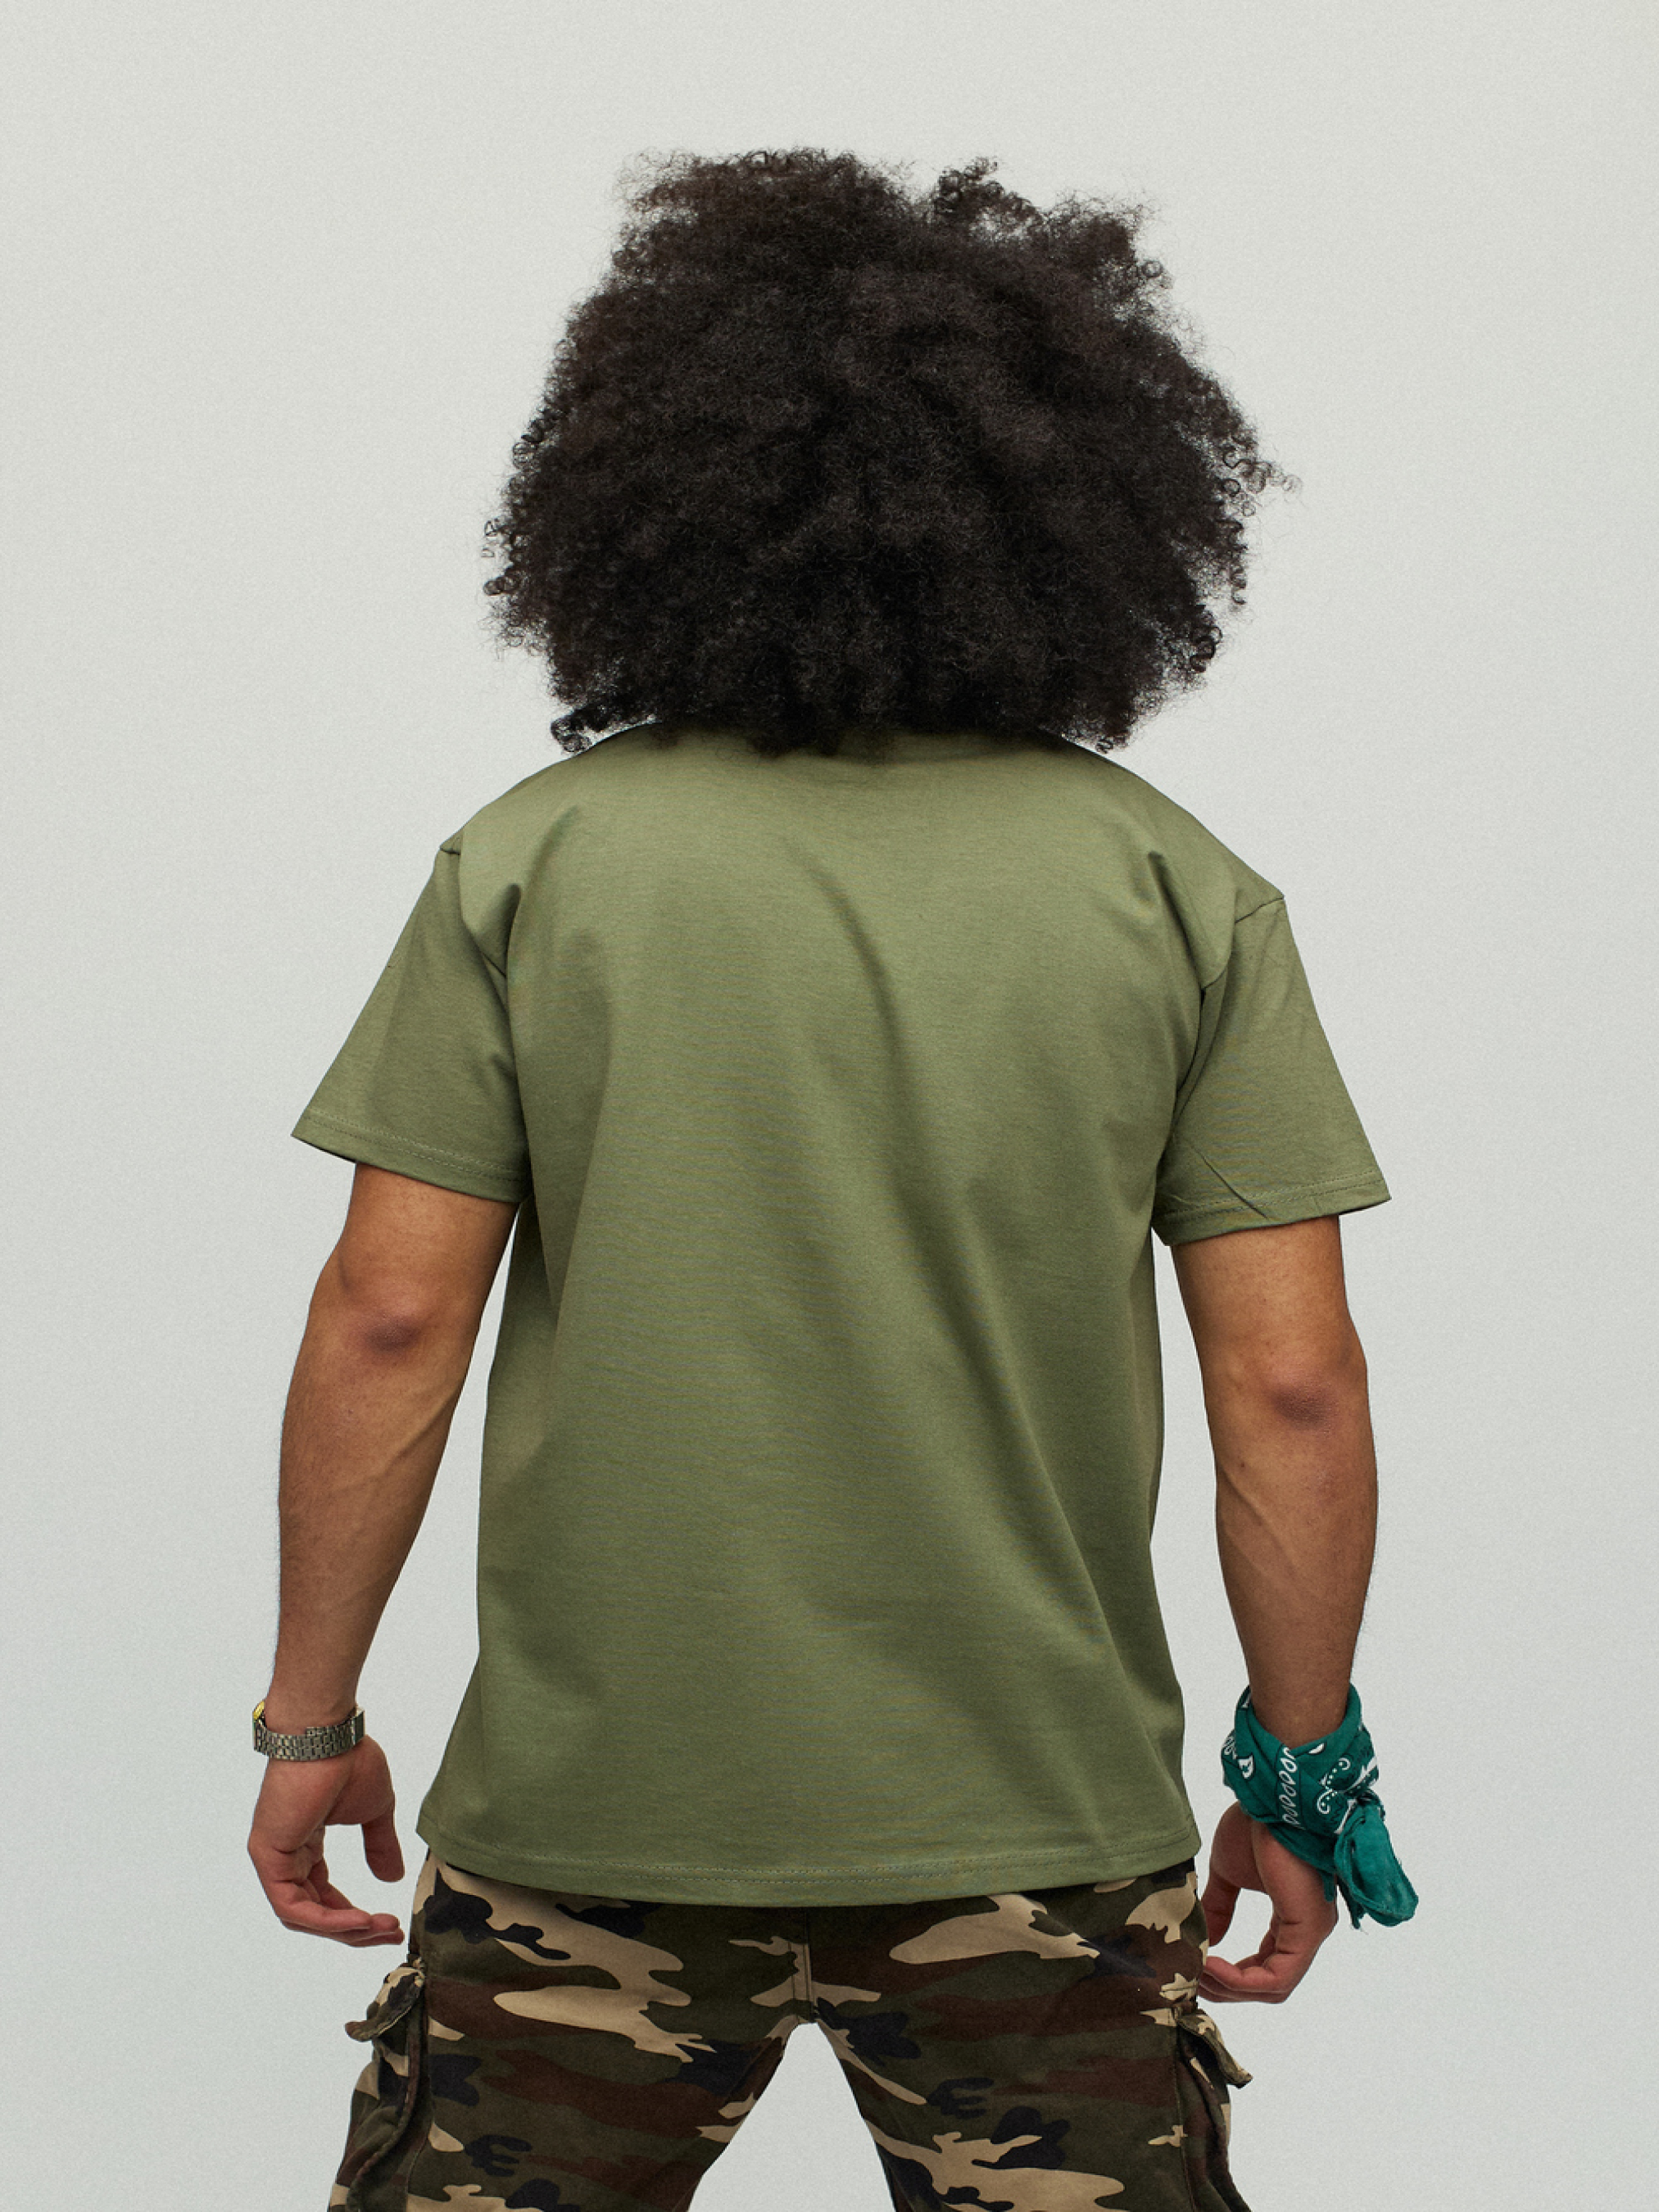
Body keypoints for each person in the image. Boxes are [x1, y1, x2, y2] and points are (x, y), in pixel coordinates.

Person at [248, 150, 1411, 2212]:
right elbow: (1289, 1385)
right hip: (1037, 1836)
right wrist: (1297, 1761)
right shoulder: (1174, 891)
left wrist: (307, 1721)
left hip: (594, 1830)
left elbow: (391, 1314)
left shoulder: (536, 862)